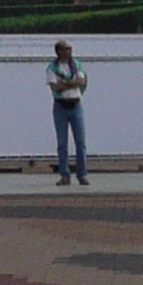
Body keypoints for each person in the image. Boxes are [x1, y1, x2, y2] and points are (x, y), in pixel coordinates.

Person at [48, 40, 89, 185]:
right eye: (66, 49)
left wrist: (65, 83)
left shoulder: (76, 65)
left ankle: (82, 174)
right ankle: (65, 175)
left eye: (70, 48)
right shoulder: (53, 67)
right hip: (61, 106)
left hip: (75, 104)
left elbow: (81, 81)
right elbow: (55, 87)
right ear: (59, 51)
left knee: (80, 142)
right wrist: (70, 83)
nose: (69, 51)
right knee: (62, 143)